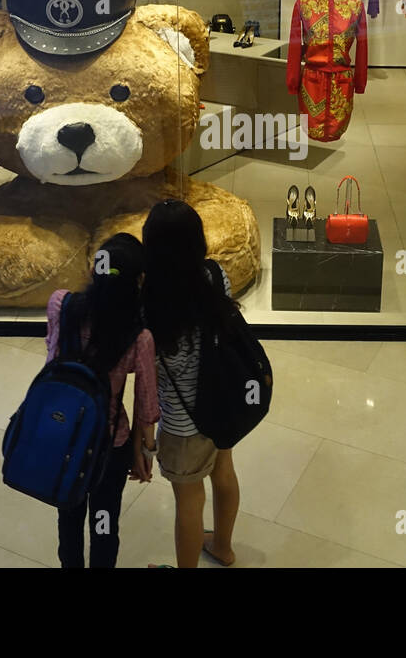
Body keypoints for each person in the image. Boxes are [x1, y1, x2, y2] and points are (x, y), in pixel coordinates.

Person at [46, 233, 159, 569]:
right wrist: (144, 452)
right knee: (105, 523)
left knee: (68, 520)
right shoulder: (139, 337)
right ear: (139, 282)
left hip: (63, 434)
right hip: (109, 446)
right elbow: (146, 406)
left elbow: (52, 361)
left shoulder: (60, 305)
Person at [138, 200, 240, 568]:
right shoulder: (215, 275)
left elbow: (147, 370)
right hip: (222, 403)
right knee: (224, 471)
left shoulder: (149, 301)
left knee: (188, 498)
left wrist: (145, 438)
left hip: (183, 423)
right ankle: (223, 547)